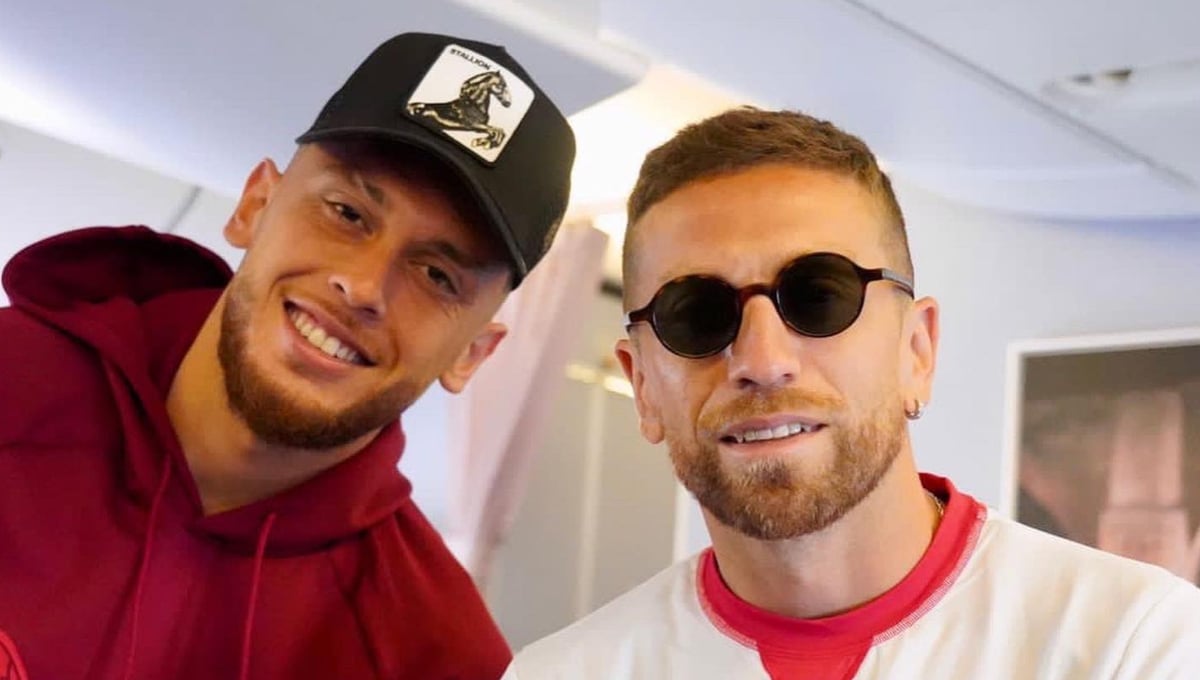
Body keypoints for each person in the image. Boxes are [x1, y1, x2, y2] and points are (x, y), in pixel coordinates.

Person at [502, 107, 1200, 679]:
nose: (762, 360)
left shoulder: (1133, 645)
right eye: (696, 315)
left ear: (916, 351)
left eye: (819, 296)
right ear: (643, 387)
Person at [0, 31, 574, 680]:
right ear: (256, 205)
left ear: (471, 353)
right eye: (347, 213)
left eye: (438, 275)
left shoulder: (440, 657)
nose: (364, 286)